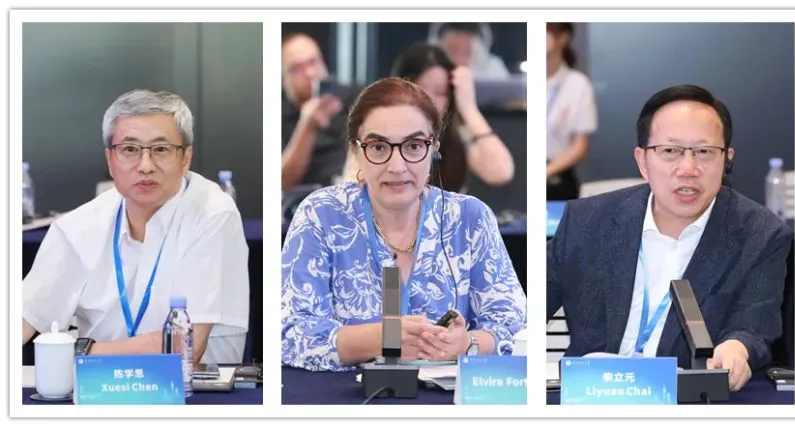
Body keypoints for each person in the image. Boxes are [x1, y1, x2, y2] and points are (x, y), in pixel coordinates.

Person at [547, 85, 792, 392]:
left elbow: (754, 324)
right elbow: (526, 310)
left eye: (704, 152)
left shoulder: (760, 233)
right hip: (590, 397)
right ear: (642, 161)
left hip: (685, 400)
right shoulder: (586, 221)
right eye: (670, 151)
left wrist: (736, 349)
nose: (688, 168)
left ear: (726, 160)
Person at [282, 78, 526, 372]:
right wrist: (383, 338)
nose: (397, 167)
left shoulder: (469, 218)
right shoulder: (322, 214)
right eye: (378, 147)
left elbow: (516, 328)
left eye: (413, 146)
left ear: (434, 148)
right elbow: (290, 335)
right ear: (355, 151)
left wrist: (468, 344)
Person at [21, 89, 250, 365]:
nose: (145, 166)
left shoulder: (213, 214)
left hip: (192, 388)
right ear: (110, 160)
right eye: (130, 149)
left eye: (161, 149)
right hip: (98, 387)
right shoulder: (77, 227)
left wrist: (79, 352)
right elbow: (22, 320)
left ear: (185, 158)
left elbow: (185, 347)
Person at [343, 43, 515, 193]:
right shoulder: (376, 135)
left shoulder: (456, 136)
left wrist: (469, 109)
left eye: (440, 92)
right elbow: (352, 194)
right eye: (420, 89)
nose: (429, 101)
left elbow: (501, 172)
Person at [281, 33, 358, 191]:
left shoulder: (353, 97)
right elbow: (282, 182)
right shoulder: (277, 115)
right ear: (283, 79)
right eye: (296, 69)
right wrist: (307, 127)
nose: (310, 73)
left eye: (313, 62)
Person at [546, 23, 597, 201]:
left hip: (556, 177)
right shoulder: (524, 83)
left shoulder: (577, 84)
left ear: (563, 37)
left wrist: (545, 171)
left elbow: (580, 145)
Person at [431, 22, 511, 79]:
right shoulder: (430, 69)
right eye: (453, 51)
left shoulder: (493, 68)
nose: (459, 59)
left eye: (466, 52)